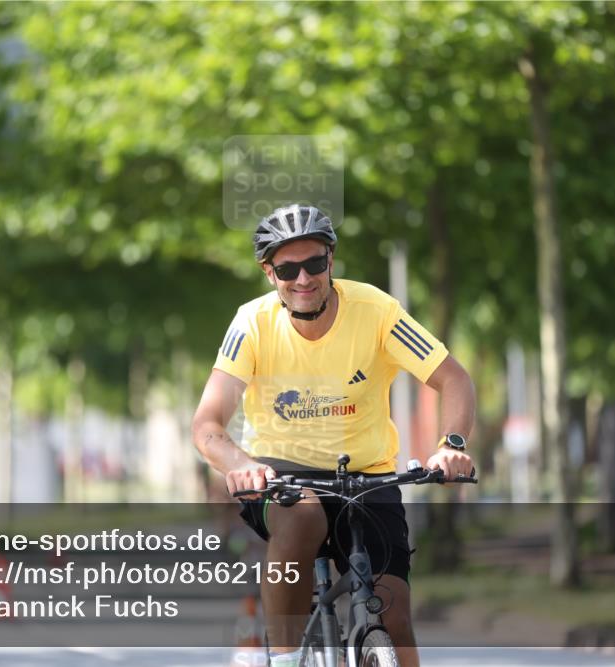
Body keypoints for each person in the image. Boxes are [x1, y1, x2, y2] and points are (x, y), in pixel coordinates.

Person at [191, 204, 476, 667]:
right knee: (303, 518)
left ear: (331, 260)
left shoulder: (376, 311)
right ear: (269, 274)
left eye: (314, 264)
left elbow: (454, 379)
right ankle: (284, 658)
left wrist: (452, 445)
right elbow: (207, 424)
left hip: (368, 478)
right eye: (287, 268)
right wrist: (240, 465)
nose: (303, 279)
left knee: (396, 615)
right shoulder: (252, 323)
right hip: (279, 478)